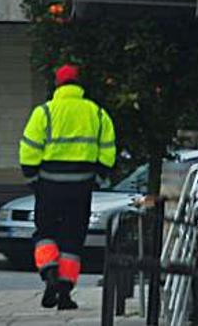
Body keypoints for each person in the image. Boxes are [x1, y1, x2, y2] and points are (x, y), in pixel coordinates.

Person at [18, 64, 117, 310]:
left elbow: (28, 149)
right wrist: (99, 178)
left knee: (45, 233)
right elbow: (108, 151)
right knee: (73, 240)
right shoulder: (96, 113)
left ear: (57, 84)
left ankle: (49, 273)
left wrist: (32, 178)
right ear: (79, 84)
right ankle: (64, 292)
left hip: (49, 185)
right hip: (81, 187)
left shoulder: (45, 112)